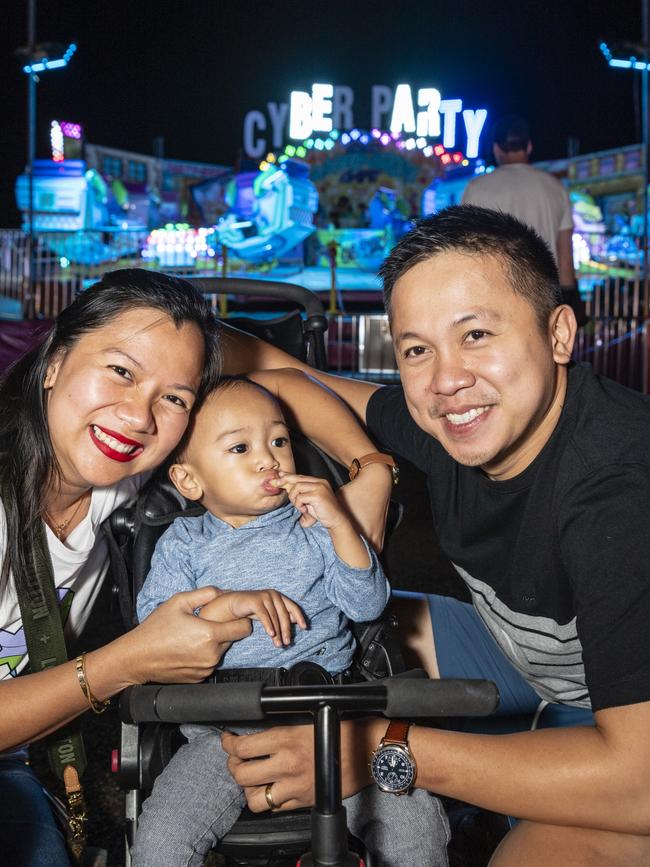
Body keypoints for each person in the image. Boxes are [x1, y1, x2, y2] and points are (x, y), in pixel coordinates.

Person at [219, 205, 650, 866]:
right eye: (417, 348)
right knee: (333, 624)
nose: (446, 380)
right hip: (546, 661)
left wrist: (380, 748)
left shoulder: (616, 489)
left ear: (559, 333)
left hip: (633, 750)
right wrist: (370, 465)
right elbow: (279, 377)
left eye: (476, 333)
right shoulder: (453, 417)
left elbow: (639, 784)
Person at [0, 268, 392, 866]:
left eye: (174, 397)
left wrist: (371, 467)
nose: (138, 416)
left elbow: (280, 384)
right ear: (53, 362)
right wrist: (122, 662)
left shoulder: (118, 478)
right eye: (121, 372)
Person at [131, 376, 448, 867]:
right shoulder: (186, 542)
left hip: (332, 715)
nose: (269, 458)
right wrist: (229, 604)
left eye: (278, 440)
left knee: (413, 823)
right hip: (225, 730)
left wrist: (341, 522)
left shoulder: (314, 524)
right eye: (240, 447)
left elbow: (365, 605)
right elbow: (154, 630)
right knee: (162, 838)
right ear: (190, 481)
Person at [461, 115, 586, 325]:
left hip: (493, 297)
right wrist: (570, 296)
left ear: (496, 149)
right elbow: (565, 254)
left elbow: (466, 251)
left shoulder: (477, 188)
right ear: (528, 147)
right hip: (542, 297)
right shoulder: (555, 188)